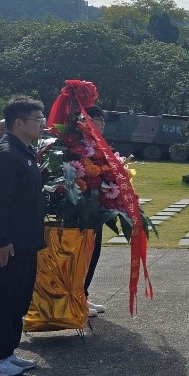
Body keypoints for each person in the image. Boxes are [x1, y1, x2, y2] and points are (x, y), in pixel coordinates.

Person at [0, 96, 47, 376]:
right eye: (37, 119)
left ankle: (6, 351)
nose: (42, 124)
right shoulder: (6, 154)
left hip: (24, 242)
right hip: (6, 245)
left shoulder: (24, 152)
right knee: (0, 299)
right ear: (18, 122)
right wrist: (0, 241)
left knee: (17, 300)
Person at [82, 106, 110, 317]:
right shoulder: (79, 145)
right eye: (98, 119)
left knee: (94, 253)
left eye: (102, 120)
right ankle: (77, 297)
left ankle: (83, 294)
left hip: (98, 208)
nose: (102, 124)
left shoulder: (100, 145)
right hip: (83, 210)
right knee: (83, 255)